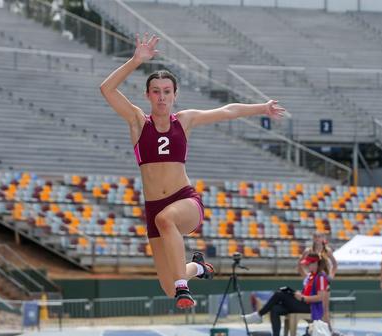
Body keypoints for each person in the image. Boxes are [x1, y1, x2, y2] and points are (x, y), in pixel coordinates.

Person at [100, 33, 285, 308]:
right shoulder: (138, 121)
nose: (161, 97)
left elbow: (228, 111)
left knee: (167, 225)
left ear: (175, 95)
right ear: (147, 95)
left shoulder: (184, 121)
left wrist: (262, 107)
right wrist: (136, 60)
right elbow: (107, 89)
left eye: (167, 91)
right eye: (156, 92)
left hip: (184, 202)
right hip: (154, 208)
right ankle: (197, 269)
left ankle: (183, 285)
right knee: (166, 287)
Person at [242, 252, 329, 336]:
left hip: (310, 307)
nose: (307, 266)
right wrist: (299, 294)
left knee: (280, 293)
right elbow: (307, 290)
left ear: (316, 263)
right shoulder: (310, 276)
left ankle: (259, 315)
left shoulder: (321, 277)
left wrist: (303, 298)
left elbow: (320, 297)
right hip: (303, 303)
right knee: (275, 308)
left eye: (309, 264)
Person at [298, 232, 341, 336]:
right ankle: (314, 329)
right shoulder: (309, 251)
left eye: (320, 236)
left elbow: (335, 264)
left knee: (325, 308)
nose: (317, 239)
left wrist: (331, 274)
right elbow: (300, 264)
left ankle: (329, 330)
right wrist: (306, 277)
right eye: (315, 237)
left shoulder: (327, 251)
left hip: (323, 281)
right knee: (312, 306)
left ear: (324, 238)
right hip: (313, 281)